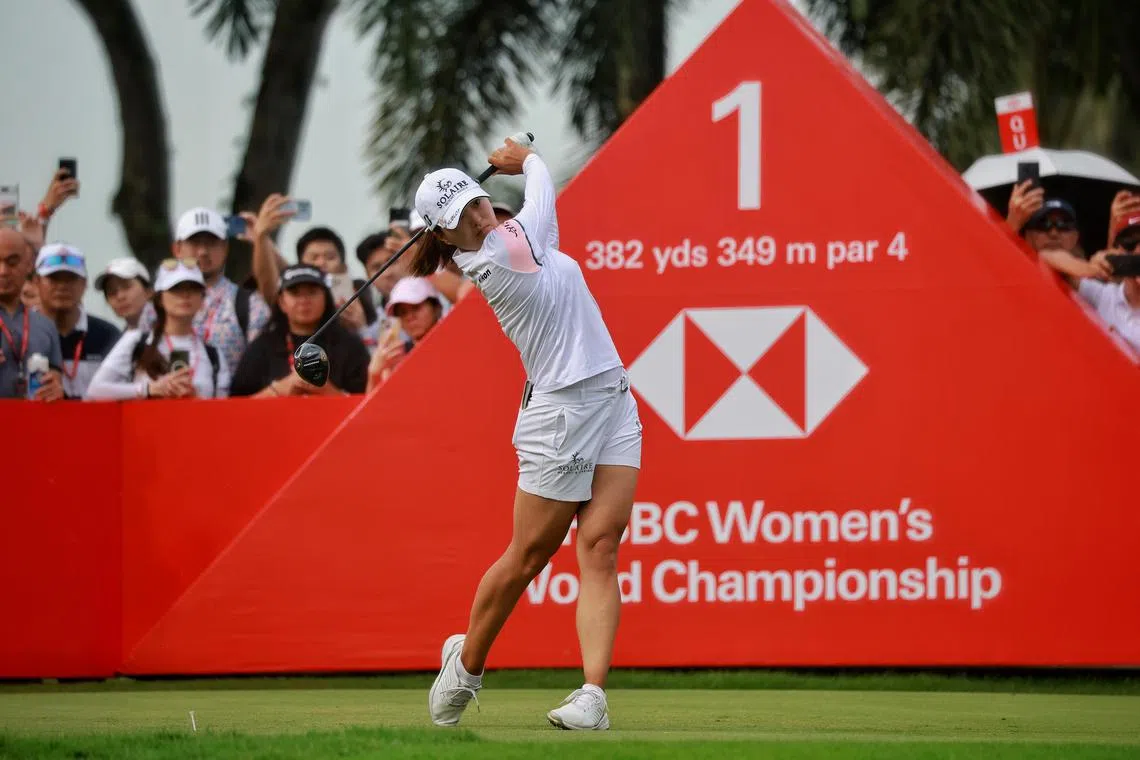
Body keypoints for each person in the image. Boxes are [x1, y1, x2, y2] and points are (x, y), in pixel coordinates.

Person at [410, 138, 642, 731]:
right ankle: (466, 665)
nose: (478, 216)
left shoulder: (519, 240)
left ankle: (592, 695)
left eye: (477, 201)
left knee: (601, 545)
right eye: (461, 216)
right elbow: (542, 197)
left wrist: (523, 169)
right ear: (445, 236)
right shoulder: (497, 256)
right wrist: (528, 160)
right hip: (560, 415)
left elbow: (543, 219)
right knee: (529, 556)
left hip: (613, 397)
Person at [139, 207, 271, 373]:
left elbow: (261, 367)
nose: (203, 251)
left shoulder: (250, 304)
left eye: (211, 243)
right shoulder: (155, 305)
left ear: (225, 248)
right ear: (177, 249)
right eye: (194, 243)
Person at [87, 259, 230, 400]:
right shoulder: (136, 340)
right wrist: (150, 389)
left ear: (202, 299)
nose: (185, 295)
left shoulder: (214, 355)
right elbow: (95, 390)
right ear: (160, 299)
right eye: (176, 288)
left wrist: (196, 398)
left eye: (193, 288)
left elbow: (222, 410)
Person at [230, 264, 370, 398]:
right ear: (281, 302)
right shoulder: (262, 347)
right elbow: (235, 406)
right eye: (295, 293)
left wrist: (329, 392)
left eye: (312, 292)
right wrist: (278, 389)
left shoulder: (351, 346)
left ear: (326, 298)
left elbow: (368, 403)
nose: (304, 300)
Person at [34, 243, 121, 399]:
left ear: (85, 284)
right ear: (36, 282)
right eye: (53, 278)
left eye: (71, 279)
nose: (62, 286)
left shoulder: (108, 335)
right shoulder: (22, 332)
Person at [0, 228, 63, 400]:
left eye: (12, 263)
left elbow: (56, 378)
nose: (3, 271)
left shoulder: (45, 325)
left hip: (32, 415)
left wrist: (55, 389)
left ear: (28, 266)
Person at [364, 277, 445, 392]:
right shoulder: (397, 358)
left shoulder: (455, 342)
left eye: (416, 307)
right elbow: (380, 402)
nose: (409, 317)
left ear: (437, 307)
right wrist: (374, 376)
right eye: (402, 312)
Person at [1078, 215, 1140, 353]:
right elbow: (1049, 256)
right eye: (1130, 244)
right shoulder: (1103, 295)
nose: (1138, 251)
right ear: (1117, 252)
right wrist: (1090, 268)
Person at [94, 257, 153, 329]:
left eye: (126, 286)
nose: (120, 296)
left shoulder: (164, 326)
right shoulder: (122, 335)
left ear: (148, 291)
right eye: (112, 291)